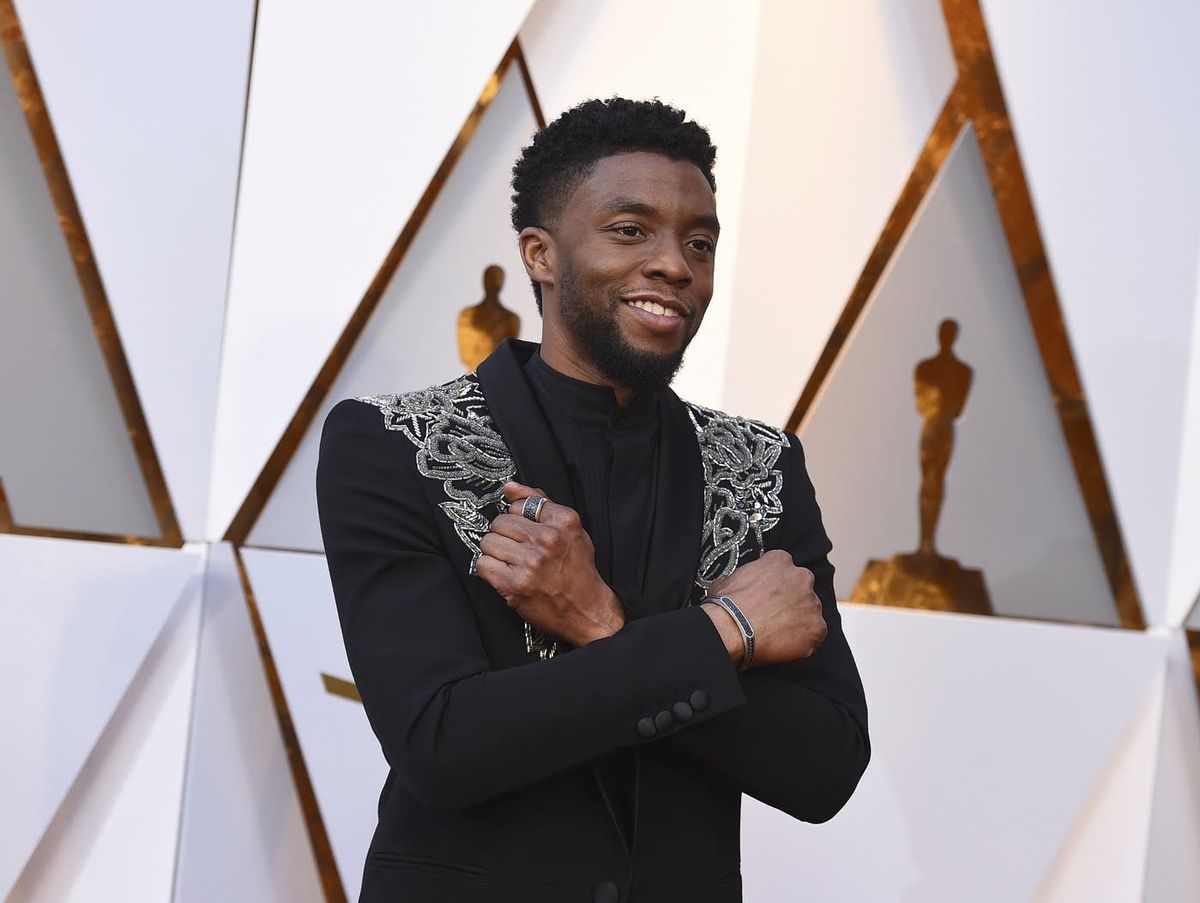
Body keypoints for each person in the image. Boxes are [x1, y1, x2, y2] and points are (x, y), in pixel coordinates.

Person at [317, 97, 869, 903]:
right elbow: (442, 745)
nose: (676, 264)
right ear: (540, 254)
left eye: (700, 241)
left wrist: (601, 622)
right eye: (630, 229)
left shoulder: (760, 468)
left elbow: (823, 768)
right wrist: (726, 631)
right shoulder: (399, 443)